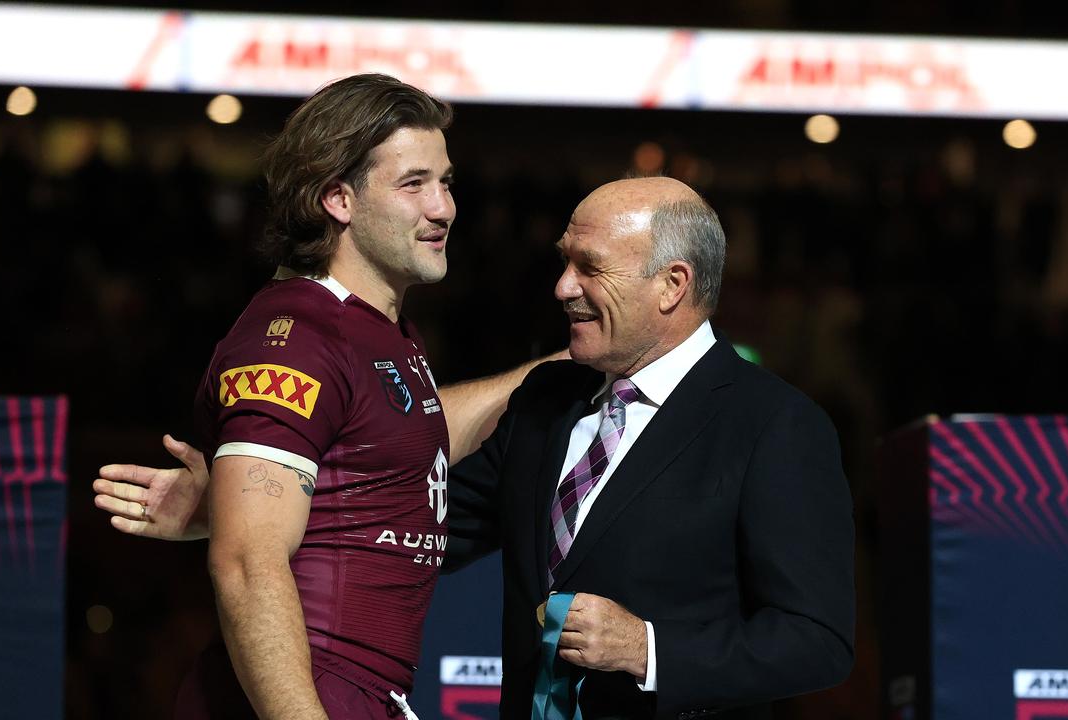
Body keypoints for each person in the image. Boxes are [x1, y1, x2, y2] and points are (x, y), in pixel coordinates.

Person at [97, 176, 855, 718]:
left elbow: (817, 642)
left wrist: (648, 649)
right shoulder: (542, 408)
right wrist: (241, 504)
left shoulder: (775, 426)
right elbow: (413, 525)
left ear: (672, 285)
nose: (560, 286)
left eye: (588, 267)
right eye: (564, 259)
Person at [93, 73, 554, 720]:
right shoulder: (297, 338)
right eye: (413, 183)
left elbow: (404, 436)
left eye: (445, 181)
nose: (444, 207)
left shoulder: (380, 330)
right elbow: (248, 563)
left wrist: (557, 370)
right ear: (338, 199)